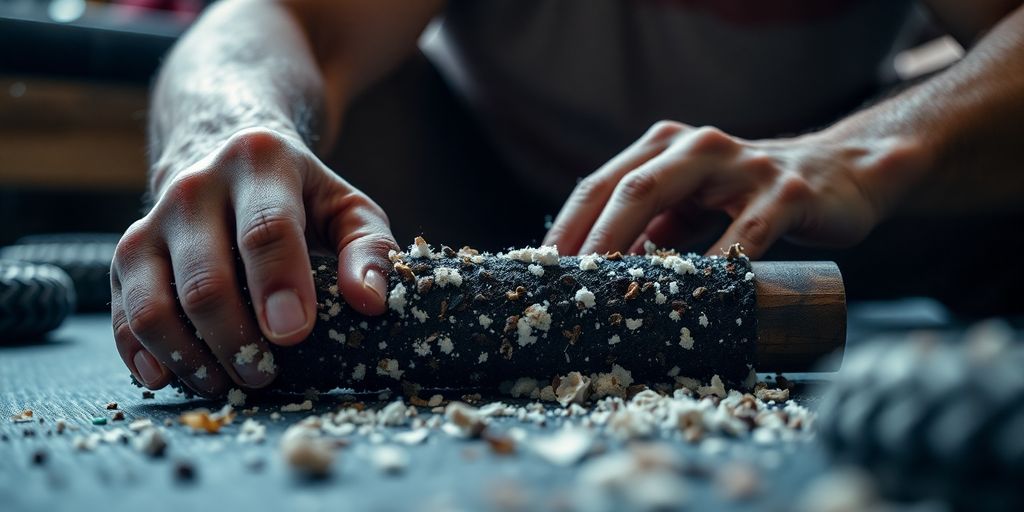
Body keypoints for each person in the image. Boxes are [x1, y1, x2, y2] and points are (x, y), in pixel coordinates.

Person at [110, 0, 1024, 397]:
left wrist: (875, 149)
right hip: (468, 192)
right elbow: (281, 21)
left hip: (828, 208)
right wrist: (224, 130)